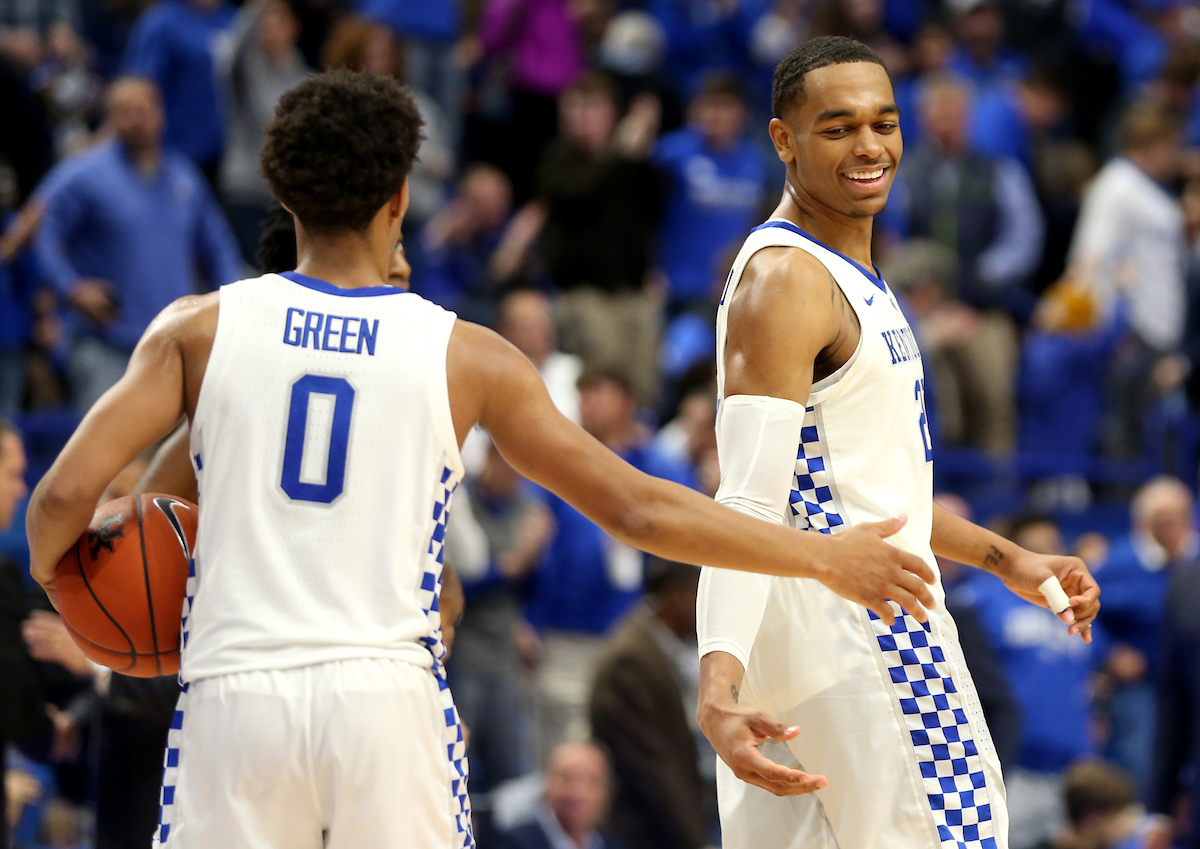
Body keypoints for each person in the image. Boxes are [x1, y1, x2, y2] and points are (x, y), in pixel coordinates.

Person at [26, 70, 942, 848]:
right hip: (385, 697)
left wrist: (69, 587)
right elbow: (641, 512)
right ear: (400, 199)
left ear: (284, 198)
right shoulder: (465, 353)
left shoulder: (198, 330)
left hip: (234, 696)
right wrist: (825, 554)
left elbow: (67, 495)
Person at [695, 36, 1100, 849]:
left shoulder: (844, 272)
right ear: (784, 140)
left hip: (815, 638)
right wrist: (716, 681)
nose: (871, 145)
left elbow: (870, 486)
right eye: (839, 127)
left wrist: (1004, 559)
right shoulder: (790, 280)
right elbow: (744, 496)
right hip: (866, 634)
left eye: (884, 122)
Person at [32, 77, 243, 413]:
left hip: (174, 346)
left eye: (143, 109)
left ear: (160, 113)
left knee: (176, 460)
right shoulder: (83, 175)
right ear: (110, 118)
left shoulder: (183, 177)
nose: (136, 119)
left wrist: (232, 303)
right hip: (107, 344)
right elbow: (41, 232)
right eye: (124, 111)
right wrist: (71, 288)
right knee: (109, 460)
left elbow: (218, 247)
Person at [958, 515, 1096, 849]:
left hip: (1070, 773)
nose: (1045, 556)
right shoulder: (979, 598)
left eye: (1052, 547)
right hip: (1014, 766)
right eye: (1034, 549)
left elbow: (1095, 671)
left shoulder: (1072, 604)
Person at [590, 558, 715, 849]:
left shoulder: (655, 647)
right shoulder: (632, 659)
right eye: (700, 599)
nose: (705, 613)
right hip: (641, 829)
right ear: (675, 597)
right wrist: (696, 841)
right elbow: (655, 768)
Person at [1094, 478, 1197, 797]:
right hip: (1144, 683)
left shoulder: (1194, 563)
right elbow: (1083, 610)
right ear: (1143, 522)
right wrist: (1109, 653)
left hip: (1190, 678)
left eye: (1176, 518)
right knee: (1140, 761)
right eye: (1160, 519)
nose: (1169, 527)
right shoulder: (1120, 562)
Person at [495, 741, 623, 849]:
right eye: (568, 779)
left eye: (592, 781)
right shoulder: (514, 843)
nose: (579, 793)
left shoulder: (612, 845)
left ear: (606, 792)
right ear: (547, 784)